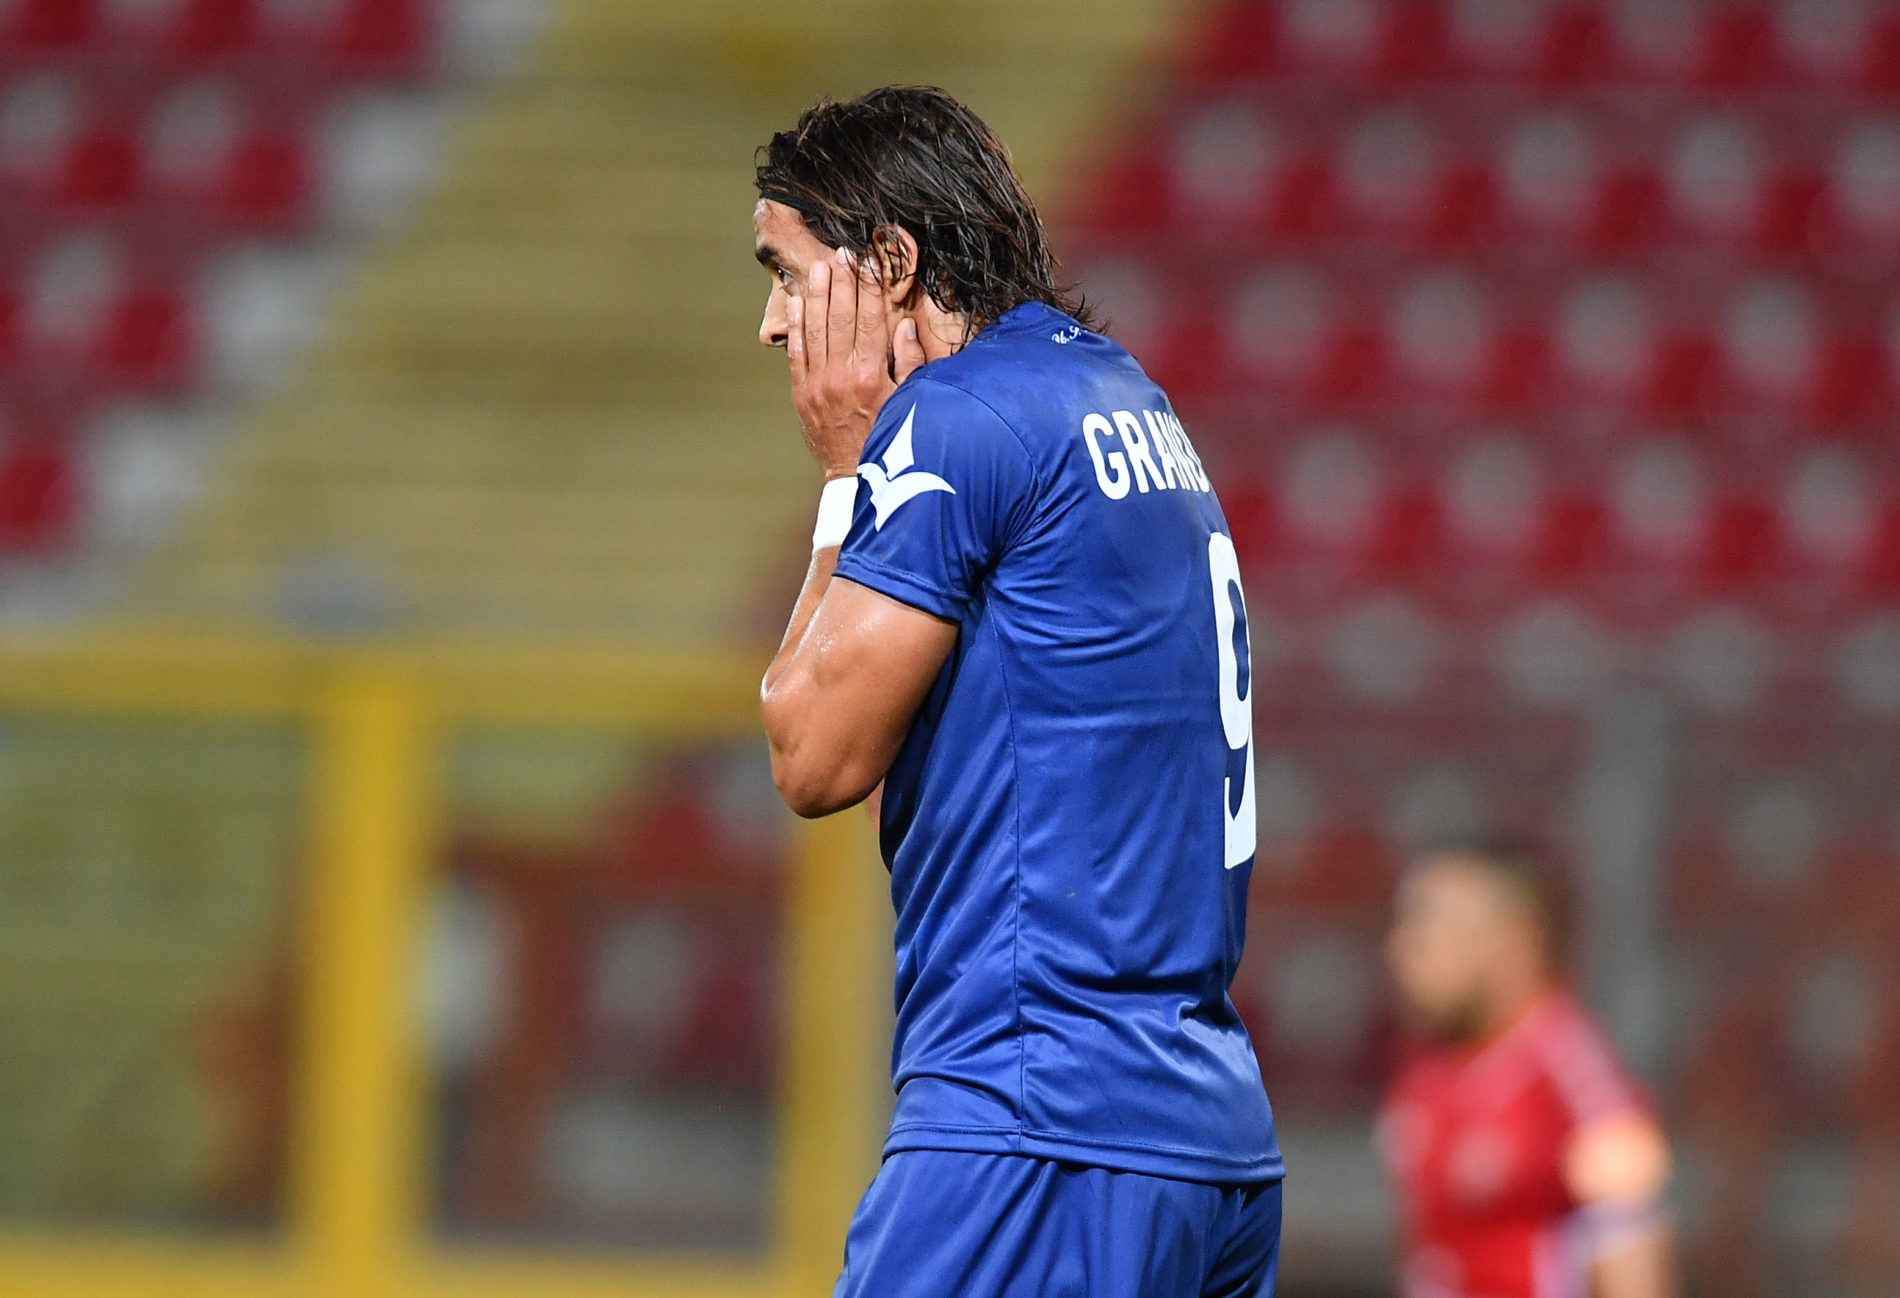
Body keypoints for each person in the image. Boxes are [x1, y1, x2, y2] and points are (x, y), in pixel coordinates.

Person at [752, 86, 1282, 1297]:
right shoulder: (1123, 397)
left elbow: (812, 756)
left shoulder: (955, 416)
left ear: (890, 264)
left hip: (1037, 1125)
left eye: (787, 272)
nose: (773, 324)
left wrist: (843, 477)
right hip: (1205, 1141)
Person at [1381, 842, 1678, 1298]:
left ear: (1512, 942)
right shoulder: (1424, 1073)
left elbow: (1628, 1225)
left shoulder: (1564, 1063)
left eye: (1431, 924)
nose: (1403, 948)